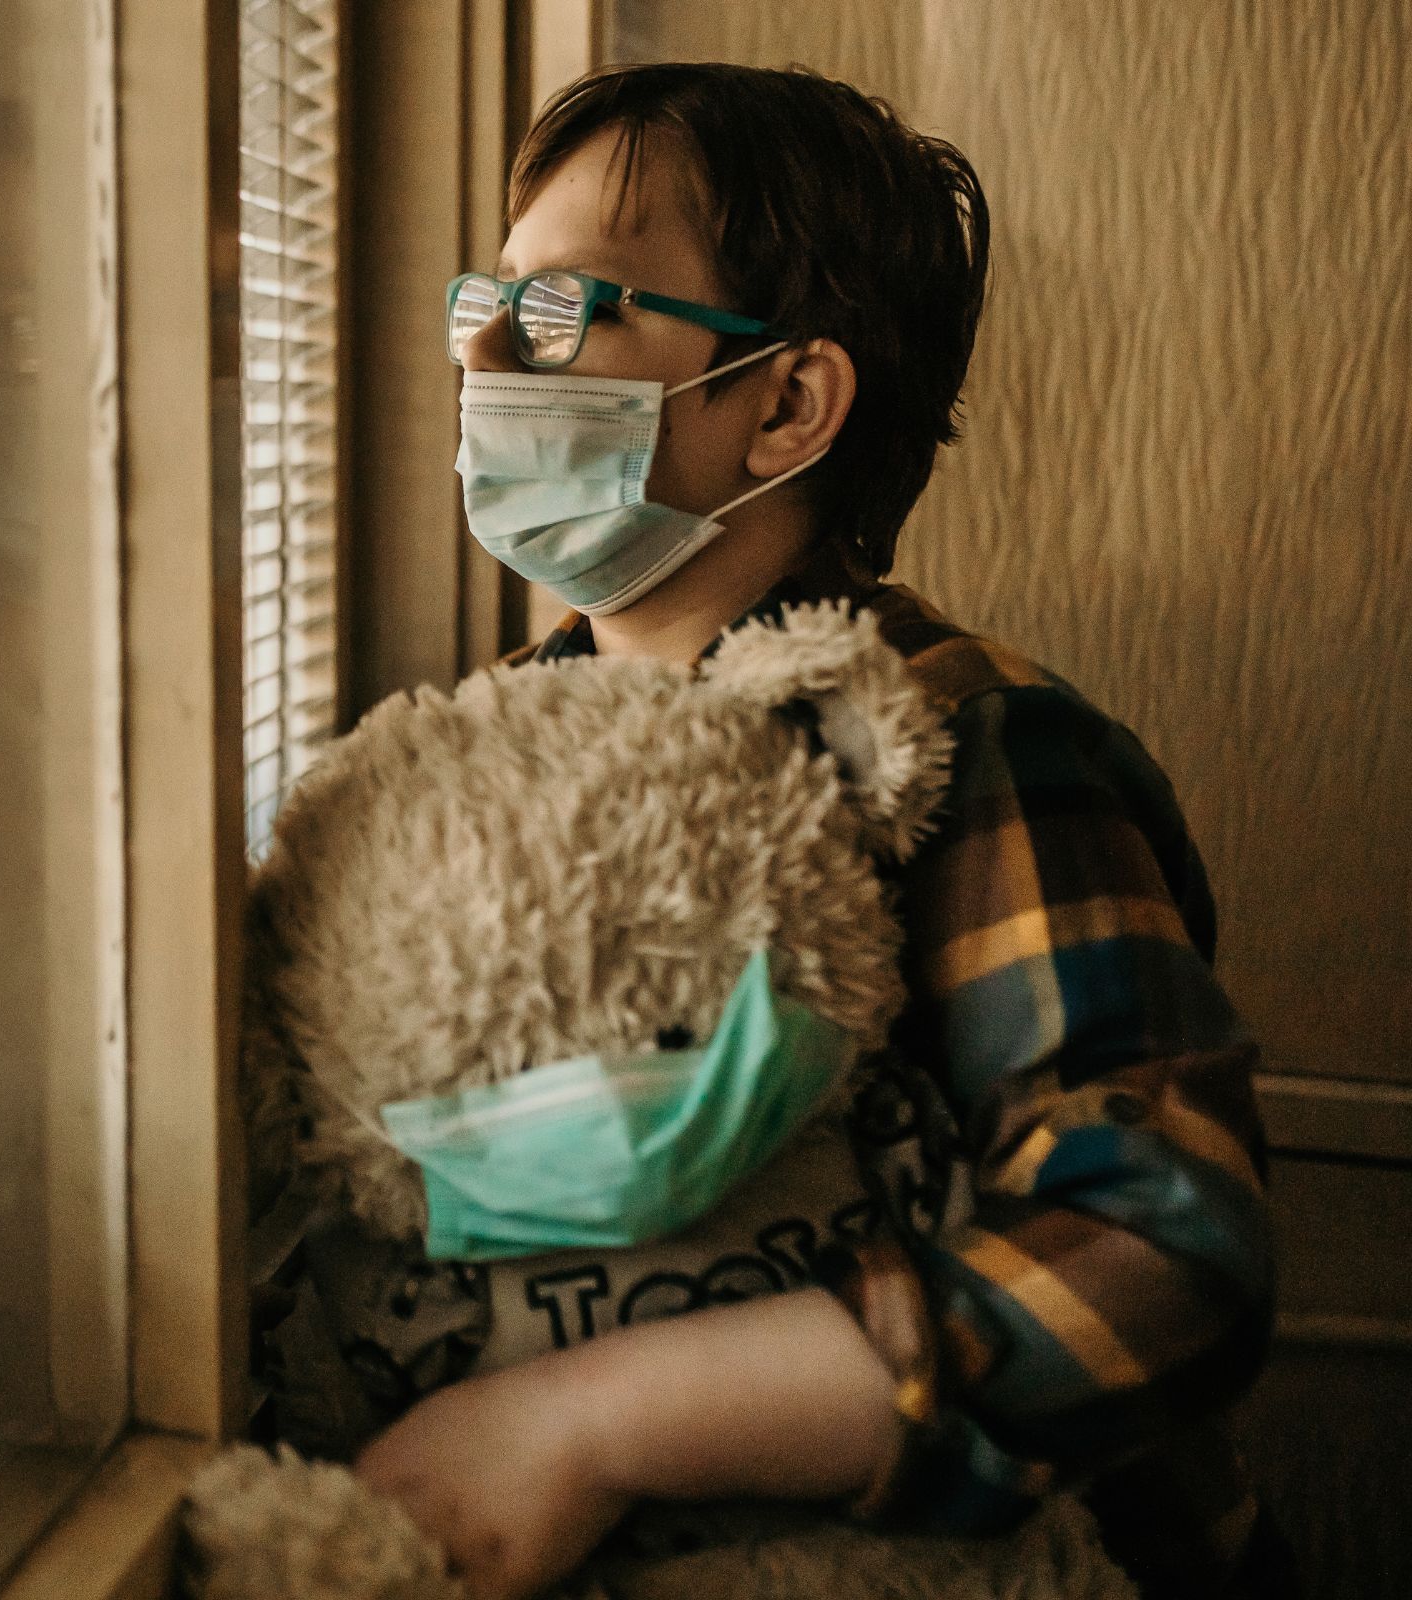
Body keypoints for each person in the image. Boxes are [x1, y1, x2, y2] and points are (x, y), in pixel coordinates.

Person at [349, 62, 1286, 1600]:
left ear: (783, 402)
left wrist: (586, 1423)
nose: (485, 353)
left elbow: (1166, 1255)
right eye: (492, 299)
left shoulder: (975, 743)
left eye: (575, 306)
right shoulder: (485, 736)